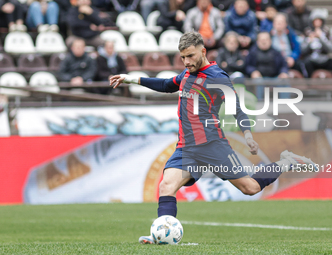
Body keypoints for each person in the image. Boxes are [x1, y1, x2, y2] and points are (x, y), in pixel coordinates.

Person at [109, 31, 318, 244]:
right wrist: (131, 79)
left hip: (212, 145)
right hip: (186, 148)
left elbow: (237, 108)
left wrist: (247, 135)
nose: (186, 62)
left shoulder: (217, 77)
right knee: (166, 186)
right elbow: (165, 85)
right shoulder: (186, 75)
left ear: (203, 51)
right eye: (182, 57)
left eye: (190, 56)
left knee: (250, 188)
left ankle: (286, 161)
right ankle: (162, 236)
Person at [245, 31, 289, 99]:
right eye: (262, 40)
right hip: (260, 78)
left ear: (270, 41)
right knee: (258, 81)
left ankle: (285, 106)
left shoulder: (276, 52)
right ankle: (259, 105)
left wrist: (283, 72)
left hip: (275, 77)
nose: (264, 42)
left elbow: (283, 65)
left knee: (284, 80)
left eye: (266, 40)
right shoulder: (252, 53)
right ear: (257, 42)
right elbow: (248, 66)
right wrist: (253, 71)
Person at [301, 8, 332, 77]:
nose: (317, 22)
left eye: (319, 20)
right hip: (311, 59)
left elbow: (330, 49)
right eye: (316, 20)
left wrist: (321, 37)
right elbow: (302, 49)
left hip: (324, 58)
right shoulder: (307, 32)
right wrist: (309, 40)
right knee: (306, 63)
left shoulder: (326, 32)